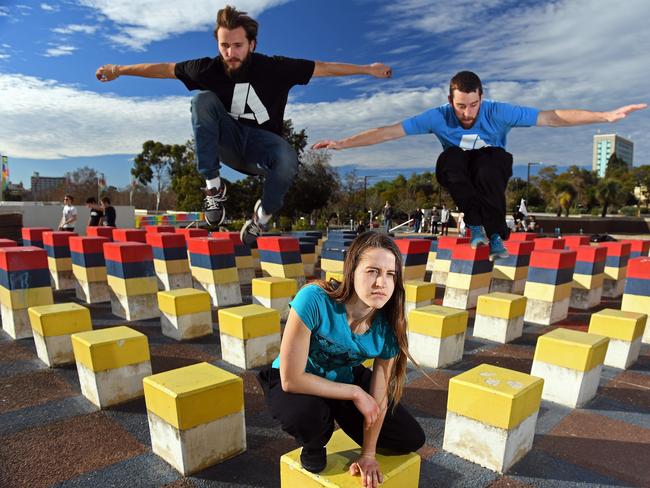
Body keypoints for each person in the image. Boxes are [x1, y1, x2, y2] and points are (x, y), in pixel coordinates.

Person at [96, 5, 392, 248]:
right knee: (202, 101)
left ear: (251, 44)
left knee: (288, 158)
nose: (230, 53)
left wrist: (367, 69)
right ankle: (213, 188)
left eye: (237, 46)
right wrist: (119, 70)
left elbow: (323, 67)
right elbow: (164, 70)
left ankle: (261, 218)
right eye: (224, 46)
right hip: (227, 143)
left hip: (262, 149)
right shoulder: (207, 68)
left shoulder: (275, 67)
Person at [313, 71, 646, 260]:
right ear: (450, 101)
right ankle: (476, 226)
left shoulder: (498, 111)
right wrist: (344, 143)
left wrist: (604, 115)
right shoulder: (437, 117)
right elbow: (389, 132)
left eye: (473, 105)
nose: (468, 114)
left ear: (482, 98)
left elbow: (552, 117)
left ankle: (495, 234)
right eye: (461, 107)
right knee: (450, 161)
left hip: (492, 162)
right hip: (460, 166)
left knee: (488, 166)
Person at [258, 231, 424, 486]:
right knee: (306, 417)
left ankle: (333, 408)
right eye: (372, 271)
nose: (382, 282)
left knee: (409, 438)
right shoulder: (314, 299)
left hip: (344, 376)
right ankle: (314, 441)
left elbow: (379, 395)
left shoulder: (388, 326)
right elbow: (291, 379)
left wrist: (368, 454)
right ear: (352, 270)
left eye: (390, 274)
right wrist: (355, 393)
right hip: (298, 378)